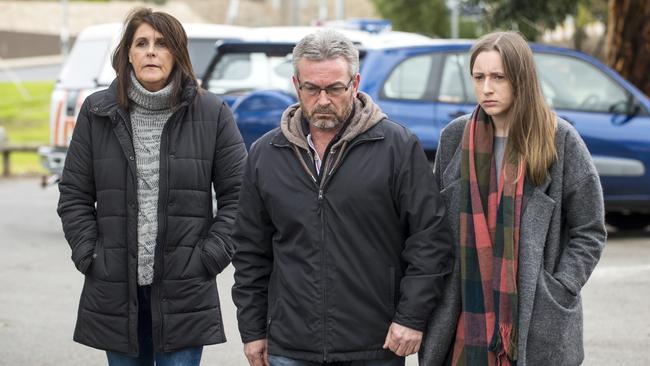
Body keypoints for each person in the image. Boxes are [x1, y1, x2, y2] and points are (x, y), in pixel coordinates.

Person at [231, 29, 453, 366]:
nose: (322, 100)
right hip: (290, 347)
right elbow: (250, 252)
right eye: (311, 88)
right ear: (296, 85)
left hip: (376, 344)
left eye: (334, 88)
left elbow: (430, 239)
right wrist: (253, 330)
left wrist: (411, 317)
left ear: (355, 82)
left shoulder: (396, 147)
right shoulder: (266, 154)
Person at [57, 7, 247, 365]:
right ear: (127, 53)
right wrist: (90, 254)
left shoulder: (212, 113)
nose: (151, 51)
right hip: (116, 285)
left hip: (185, 287)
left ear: (177, 52)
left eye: (161, 43)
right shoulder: (97, 111)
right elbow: (74, 195)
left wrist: (210, 256)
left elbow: (241, 197)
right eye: (141, 43)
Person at [419, 31, 607, 366]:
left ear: (521, 79)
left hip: (534, 315)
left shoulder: (559, 140)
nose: (486, 88)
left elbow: (590, 230)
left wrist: (560, 286)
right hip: (465, 310)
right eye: (479, 77)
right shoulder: (455, 138)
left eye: (498, 77)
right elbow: (437, 226)